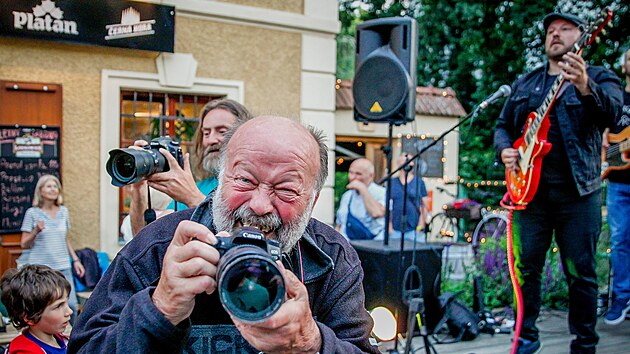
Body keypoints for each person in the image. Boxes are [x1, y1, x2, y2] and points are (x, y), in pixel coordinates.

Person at [68, 116, 379, 353]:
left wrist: (312, 341)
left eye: (285, 190)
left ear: (312, 201)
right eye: (244, 180)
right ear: (220, 181)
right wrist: (159, 308)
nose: (259, 206)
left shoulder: (331, 256)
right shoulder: (157, 247)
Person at [494, 12, 623, 354]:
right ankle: (525, 338)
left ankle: (584, 344)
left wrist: (584, 86)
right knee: (525, 271)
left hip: (579, 193)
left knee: (581, 273)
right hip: (529, 196)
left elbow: (614, 115)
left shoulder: (598, 76)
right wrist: (506, 150)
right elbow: (503, 126)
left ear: (582, 37)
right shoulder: (526, 83)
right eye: (551, 30)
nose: (556, 34)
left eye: (565, 29)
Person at [127, 98, 251, 236]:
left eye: (222, 131)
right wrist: (138, 191)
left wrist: (191, 197)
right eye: (206, 133)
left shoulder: (251, 188)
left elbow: (242, 238)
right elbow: (144, 242)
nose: (210, 140)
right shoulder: (197, 187)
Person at [20, 174, 84, 325]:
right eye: (49, 186)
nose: (53, 189)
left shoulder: (64, 212)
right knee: (42, 307)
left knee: (72, 306)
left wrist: (75, 260)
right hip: (40, 268)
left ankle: (71, 341)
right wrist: (36, 230)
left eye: (55, 186)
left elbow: (64, 238)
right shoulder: (32, 213)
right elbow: (24, 244)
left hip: (63, 266)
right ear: (40, 190)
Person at [603, 47, 630, 326]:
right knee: (620, 239)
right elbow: (604, 126)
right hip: (618, 182)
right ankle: (622, 297)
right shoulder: (616, 96)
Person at [1, 264, 73, 353]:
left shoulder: (62, 340)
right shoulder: (25, 351)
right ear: (30, 318)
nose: (69, 311)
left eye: (66, 302)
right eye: (58, 306)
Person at [335, 158, 386, 240]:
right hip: (347, 245)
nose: (353, 177)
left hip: (371, 245)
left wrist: (362, 188)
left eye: (358, 174)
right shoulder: (347, 196)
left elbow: (376, 213)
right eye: (351, 172)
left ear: (371, 176)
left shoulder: (381, 192)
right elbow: (339, 224)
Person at [389, 154, 429, 242]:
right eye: (404, 161)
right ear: (398, 164)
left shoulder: (419, 182)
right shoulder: (391, 182)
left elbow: (425, 205)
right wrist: (389, 226)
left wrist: (420, 226)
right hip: (395, 230)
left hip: (414, 230)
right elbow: (386, 205)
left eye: (410, 161)